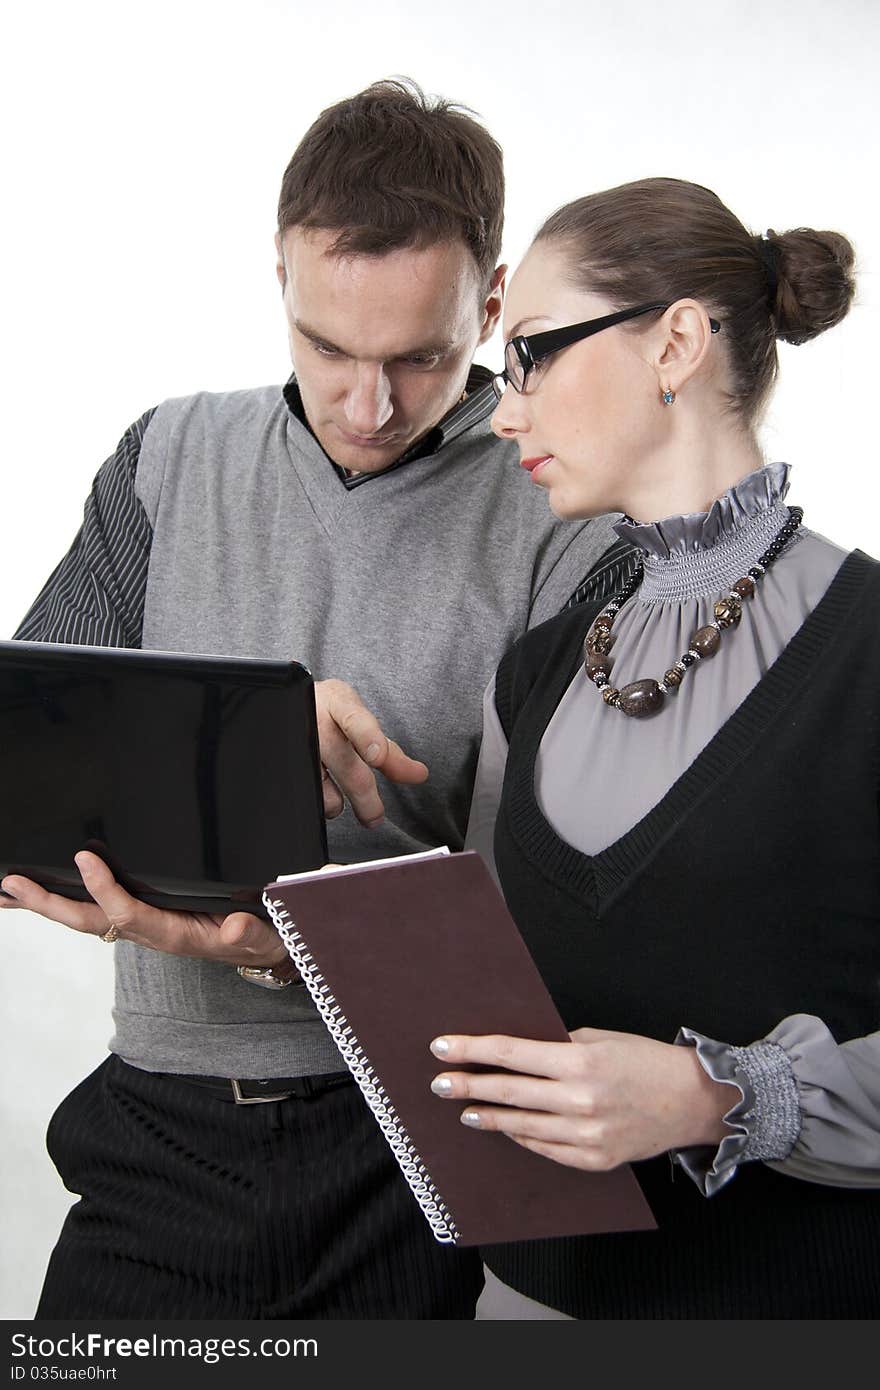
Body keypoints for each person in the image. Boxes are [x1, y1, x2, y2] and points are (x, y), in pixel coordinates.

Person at [0, 81, 622, 1319]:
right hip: (160, 1127)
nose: (367, 405)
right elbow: (24, 761)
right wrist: (241, 747)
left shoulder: (565, 507)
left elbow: (561, 918)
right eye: (326, 348)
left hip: (418, 1135)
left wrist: (293, 958)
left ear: (491, 305)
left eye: (421, 358)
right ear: (279, 274)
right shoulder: (166, 454)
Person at [429, 177, 880, 1318]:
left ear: (675, 342)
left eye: (530, 353)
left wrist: (712, 1095)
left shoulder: (869, 649)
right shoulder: (534, 669)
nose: (502, 410)